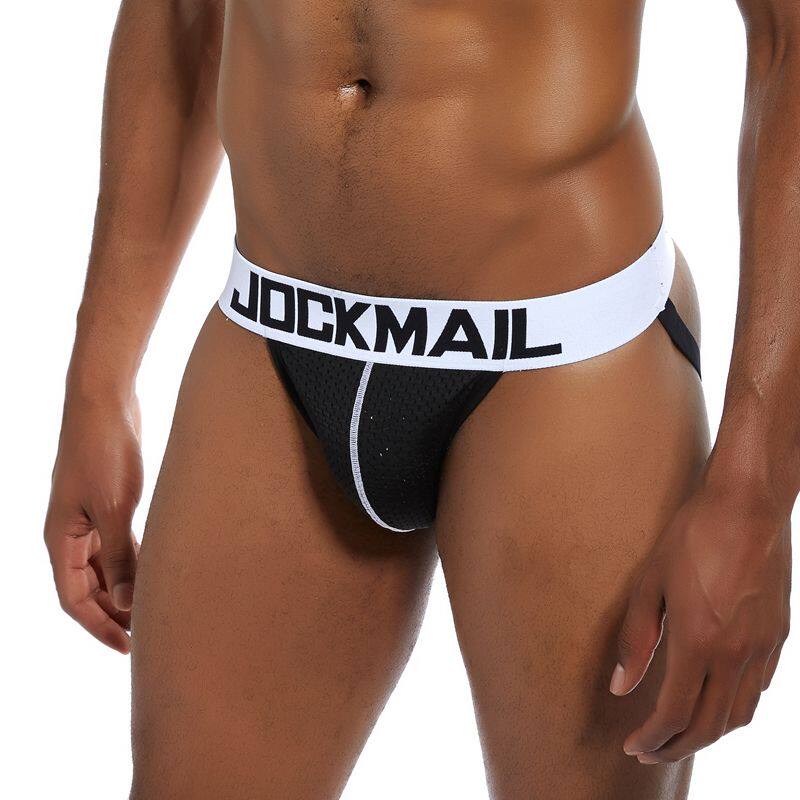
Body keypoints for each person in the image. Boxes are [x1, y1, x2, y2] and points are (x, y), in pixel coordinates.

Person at [44, 1, 796, 798]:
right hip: (274, 335)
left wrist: (752, 498)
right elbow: (180, 14)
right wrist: (99, 382)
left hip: (561, 358)